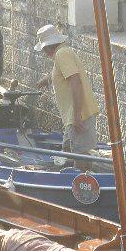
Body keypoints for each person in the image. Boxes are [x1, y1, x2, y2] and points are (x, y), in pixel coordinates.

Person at [34, 25, 100, 155]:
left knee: (80, 156)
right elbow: (63, 73)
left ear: (47, 47)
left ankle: (82, 174)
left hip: (79, 114)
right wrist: (47, 79)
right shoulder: (63, 53)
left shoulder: (62, 54)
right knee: (68, 150)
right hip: (73, 116)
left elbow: (76, 82)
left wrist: (77, 116)